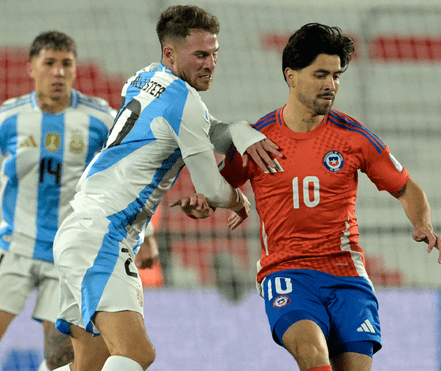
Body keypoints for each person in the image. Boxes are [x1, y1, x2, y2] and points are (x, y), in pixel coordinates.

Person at [50, 5, 281, 371]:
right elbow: (214, 189)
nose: (210, 63)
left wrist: (237, 129)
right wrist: (238, 200)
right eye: (201, 55)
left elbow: (205, 130)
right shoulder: (185, 102)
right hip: (105, 235)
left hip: (81, 229)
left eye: (214, 54)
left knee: (89, 366)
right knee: (136, 354)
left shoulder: (143, 78)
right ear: (171, 53)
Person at [217, 23, 441, 371]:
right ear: (291, 77)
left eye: (337, 76)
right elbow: (220, 186)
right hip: (288, 271)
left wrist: (423, 224)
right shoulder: (257, 139)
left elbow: (406, 188)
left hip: (347, 276)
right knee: (314, 358)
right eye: (321, 74)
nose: (331, 85)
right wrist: (215, 200)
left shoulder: (353, 137)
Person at [0, 31, 116, 371]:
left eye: (66, 64)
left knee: (60, 357)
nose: (58, 72)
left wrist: (143, 238)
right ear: (32, 68)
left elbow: (124, 176)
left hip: (67, 252)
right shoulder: (8, 118)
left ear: (75, 69)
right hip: (15, 245)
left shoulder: (100, 120)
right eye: (50, 63)